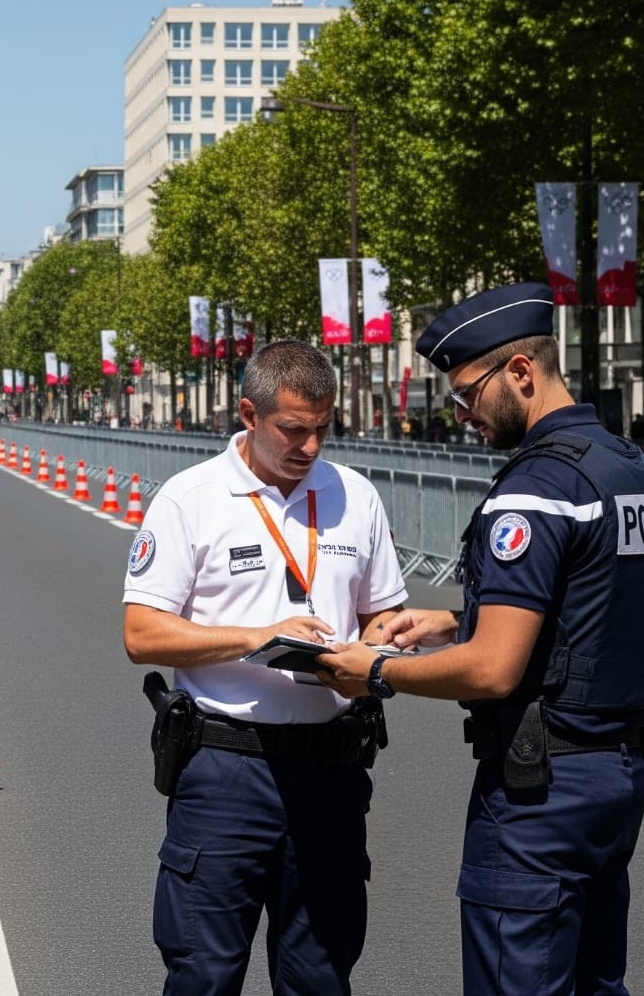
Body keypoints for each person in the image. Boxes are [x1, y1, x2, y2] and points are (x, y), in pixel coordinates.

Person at [317, 281, 644, 996]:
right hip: (618, 774)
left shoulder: (536, 486)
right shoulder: (634, 470)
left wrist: (378, 669)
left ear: (521, 372)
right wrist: (452, 618)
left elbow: (493, 670)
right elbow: (587, 603)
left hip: (540, 790)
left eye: (468, 394)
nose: (462, 416)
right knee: (596, 981)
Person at [123, 340, 409, 996]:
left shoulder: (355, 495)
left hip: (331, 771)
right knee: (204, 975)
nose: (311, 446)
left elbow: (383, 614)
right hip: (227, 768)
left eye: (323, 428)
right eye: (293, 429)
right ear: (248, 414)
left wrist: (374, 648)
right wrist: (257, 636)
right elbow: (141, 633)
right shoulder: (189, 498)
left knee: (320, 976)